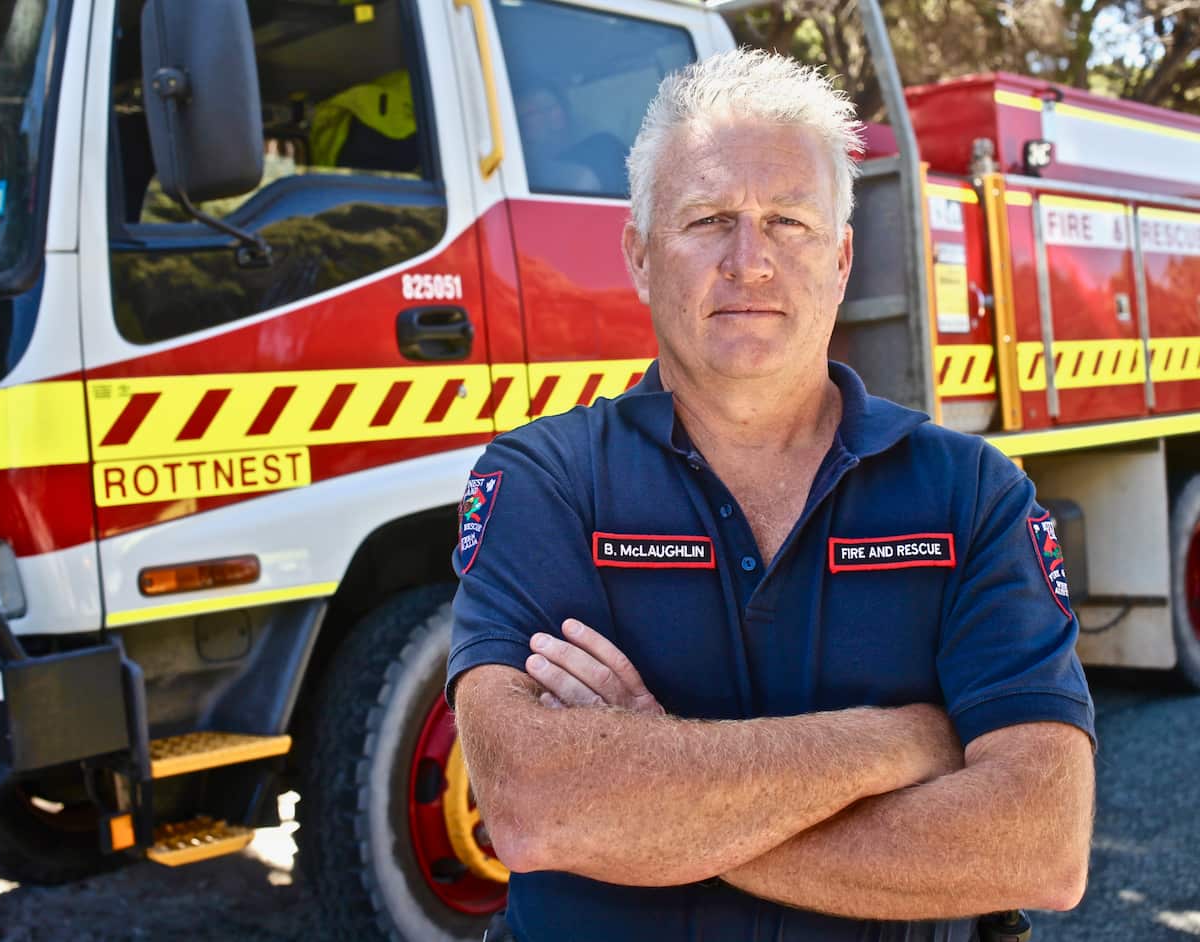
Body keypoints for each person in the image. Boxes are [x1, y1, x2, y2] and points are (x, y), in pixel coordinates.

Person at [446, 48, 1095, 942]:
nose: (748, 261)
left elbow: (1039, 845)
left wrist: (650, 802)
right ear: (639, 258)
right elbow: (534, 807)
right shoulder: (542, 482)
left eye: (788, 222)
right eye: (707, 219)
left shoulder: (972, 494)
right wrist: (900, 741)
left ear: (840, 259)